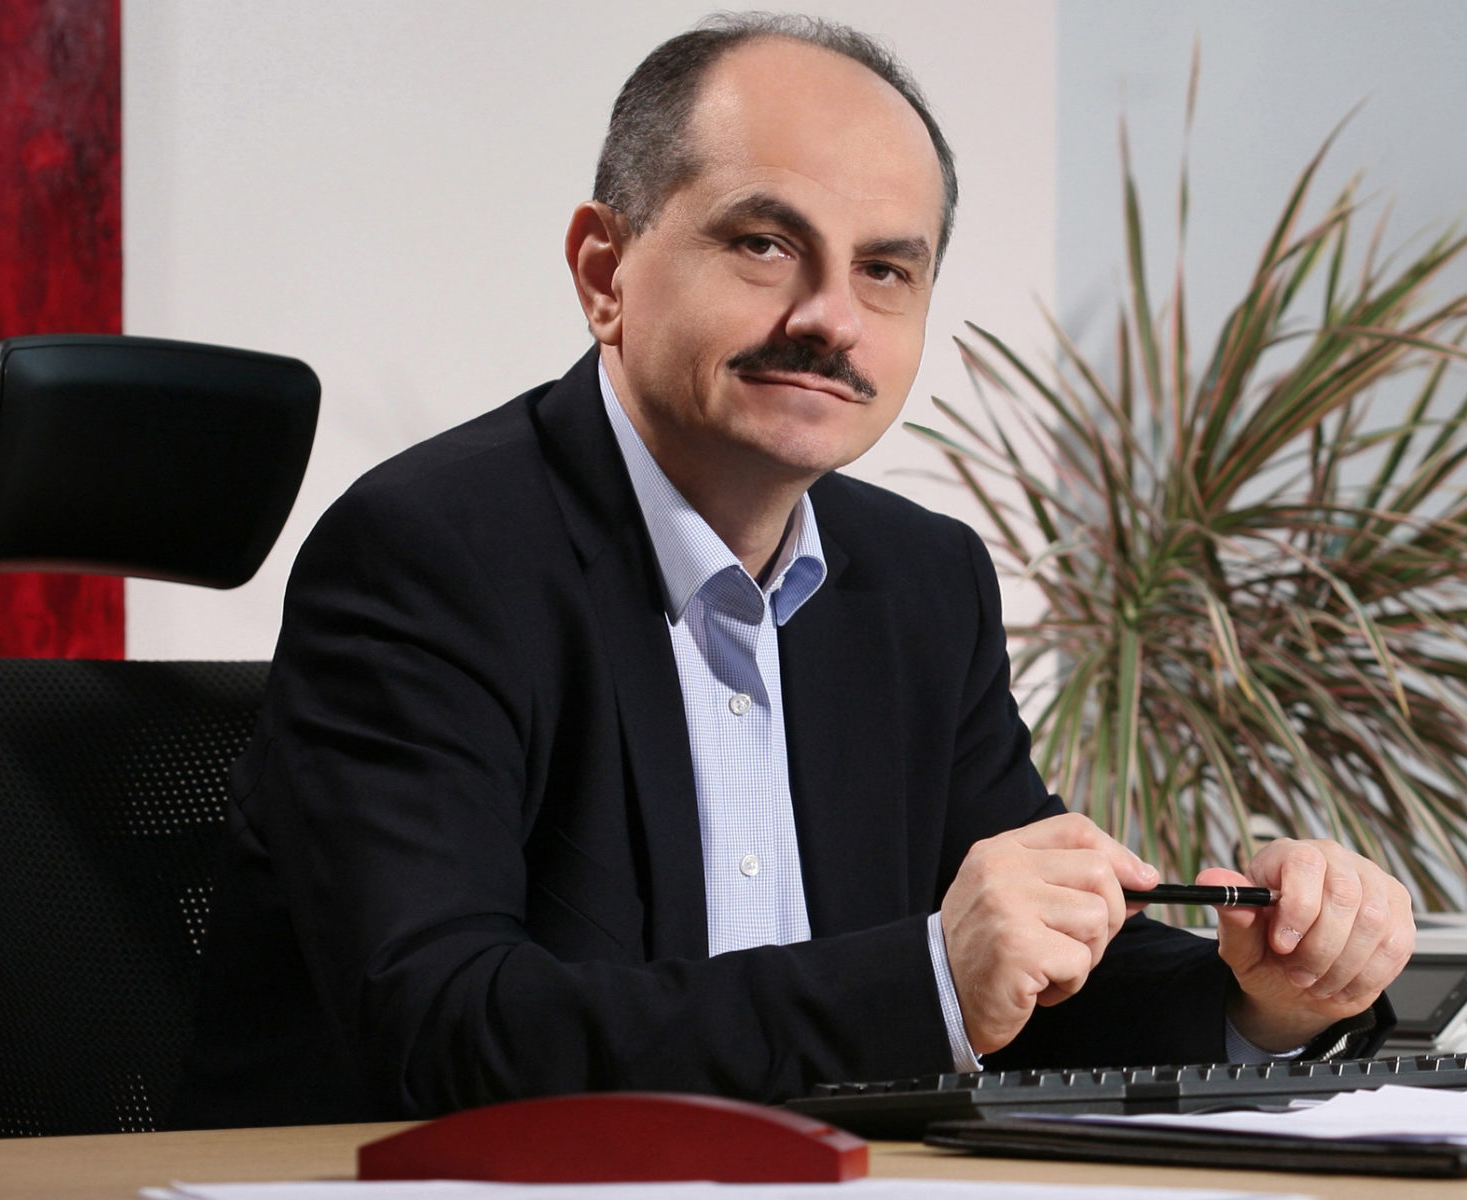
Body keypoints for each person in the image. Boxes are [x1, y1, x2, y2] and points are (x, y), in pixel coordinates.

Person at [173, 13, 1414, 1129]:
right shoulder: (432, 553)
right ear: (604, 272)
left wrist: (1261, 999)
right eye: (765, 243)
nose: (832, 316)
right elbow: (444, 1032)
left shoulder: (920, 584)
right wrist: (928, 981)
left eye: (885, 269)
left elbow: (1021, 990)